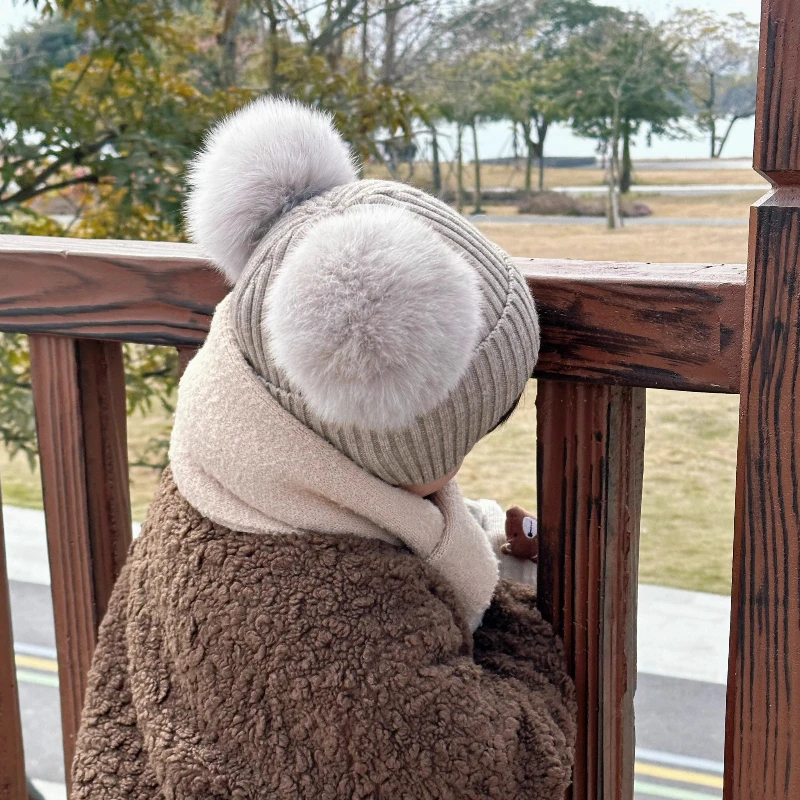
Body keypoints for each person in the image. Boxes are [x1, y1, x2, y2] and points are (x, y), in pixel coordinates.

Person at [72, 98, 576, 799]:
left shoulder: (216, 473)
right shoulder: (343, 626)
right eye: (466, 436)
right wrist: (514, 605)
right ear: (384, 442)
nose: (459, 468)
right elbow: (507, 768)